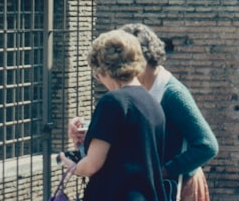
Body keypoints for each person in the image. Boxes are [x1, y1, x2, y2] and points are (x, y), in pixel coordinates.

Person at [60, 29, 169, 201]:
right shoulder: (152, 103)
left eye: (97, 73)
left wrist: (73, 166)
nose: (99, 79)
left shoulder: (113, 101)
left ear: (104, 69)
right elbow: (131, 149)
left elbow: (92, 165)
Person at [116, 23, 218, 201]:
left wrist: (165, 170)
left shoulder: (172, 95)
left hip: (178, 185)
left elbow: (207, 145)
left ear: (142, 59)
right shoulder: (140, 88)